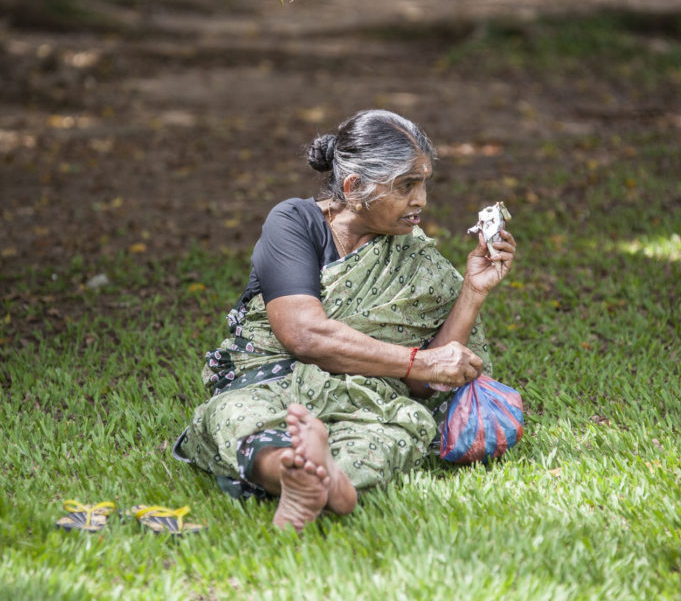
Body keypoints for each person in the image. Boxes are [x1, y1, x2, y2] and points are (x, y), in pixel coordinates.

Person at [174, 109, 517, 531]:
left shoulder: (417, 261)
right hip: (269, 382)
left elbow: (423, 385)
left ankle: (330, 480)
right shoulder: (294, 222)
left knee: (403, 426)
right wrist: (420, 362)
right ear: (355, 188)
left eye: (424, 184)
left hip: (367, 400)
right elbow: (304, 334)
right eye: (406, 185)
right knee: (234, 415)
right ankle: (293, 472)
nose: (421, 201)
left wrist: (472, 292)